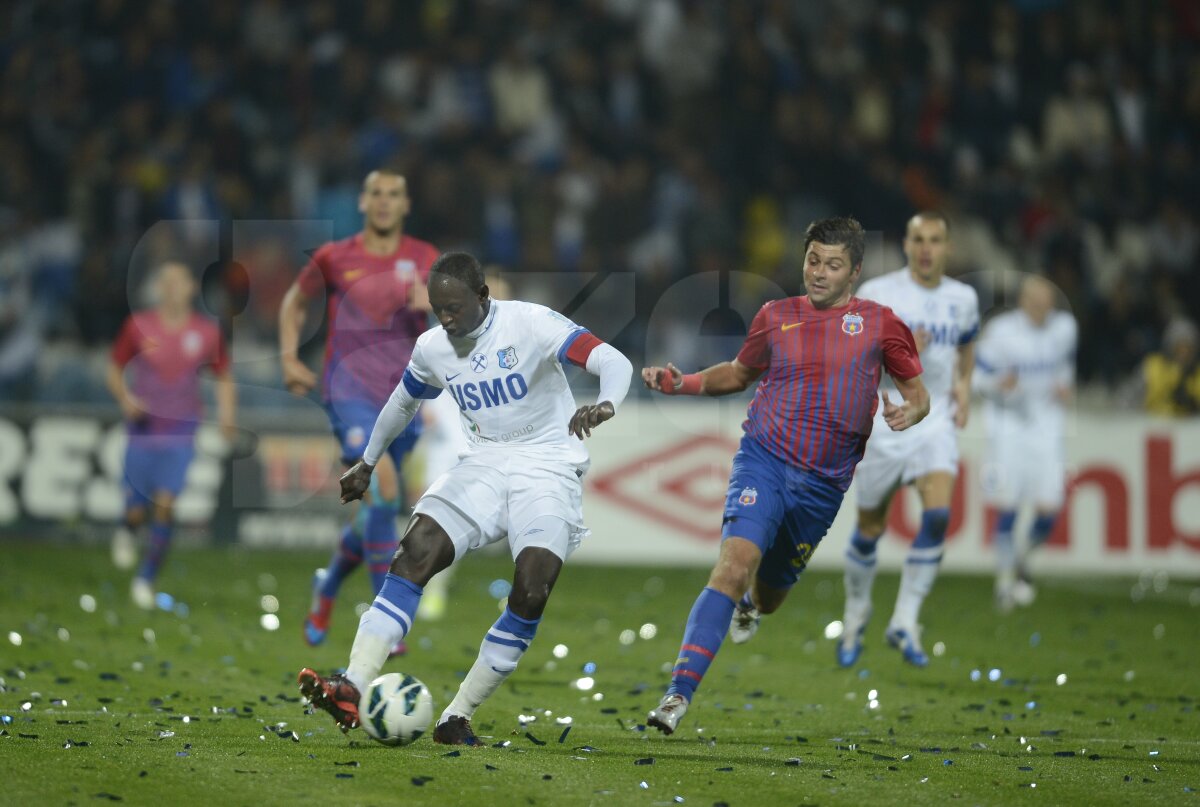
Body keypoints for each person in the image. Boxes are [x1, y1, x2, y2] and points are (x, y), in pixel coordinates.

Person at [297, 251, 633, 745]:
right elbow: (402, 402)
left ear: (483, 296)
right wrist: (367, 462)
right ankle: (352, 685)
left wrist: (606, 402)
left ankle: (456, 716)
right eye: (437, 308)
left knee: (532, 588)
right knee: (414, 552)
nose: (446, 317)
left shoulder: (531, 322)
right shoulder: (432, 347)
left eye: (455, 307)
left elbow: (611, 358)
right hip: (483, 464)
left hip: (547, 467)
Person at [641, 217, 929, 735]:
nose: (819, 273)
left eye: (833, 264)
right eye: (813, 260)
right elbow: (738, 373)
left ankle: (752, 605)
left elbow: (918, 392)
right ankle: (677, 693)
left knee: (769, 595)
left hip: (822, 488)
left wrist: (912, 411)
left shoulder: (881, 324)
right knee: (732, 566)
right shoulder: (776, 315)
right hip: (764, 460)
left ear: (855, 271)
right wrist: (681, 382)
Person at [279, 169, 439, 651]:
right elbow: (295, 301)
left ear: (405, 204)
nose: (385, 202)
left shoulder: (424, 258)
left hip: (406, 396)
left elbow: (457, 318)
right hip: (348, 391)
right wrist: (288, 356)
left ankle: (326, 586)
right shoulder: (335, 256)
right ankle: (383, 621)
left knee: (374, 510)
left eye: (394, 194)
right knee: (384, 489)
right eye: (377, 194)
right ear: (363, 202)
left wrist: (433, 302)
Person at [834, 212, 979, 668]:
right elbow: (852, 355)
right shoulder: (880, 294)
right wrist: (899, 350)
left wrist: (964, 385)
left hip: (933, 420)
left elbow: (968, 345)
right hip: (886, 421)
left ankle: (905, 620)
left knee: (937, 515)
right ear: (906, 244)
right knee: (870, 530)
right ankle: (857, 610)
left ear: (947, 247)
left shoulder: (964, 298)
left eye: (935, 239)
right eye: (919, 239)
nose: (927, 248)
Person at [107, 262, 236, 608]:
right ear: (159, 287)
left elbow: (224, 376)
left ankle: (145, 579)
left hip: (181, 430)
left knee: (165, 504)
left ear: (192, 288)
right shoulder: (138, 326)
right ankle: (127, 526)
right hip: (143, 430)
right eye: (166, 281)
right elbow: (115, 367)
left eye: (179, 280)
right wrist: (125, 398)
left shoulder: (207, 332)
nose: (173, 287)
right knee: (137, 510)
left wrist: (226, 415)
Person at [413, 272, 512, 623]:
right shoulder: (445, 335)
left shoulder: (514, 343)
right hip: (446, 445)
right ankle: (432, 590)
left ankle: (523, 597)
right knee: (434, 522)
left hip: (491, 450)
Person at [974, 275, 1077, 610]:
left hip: (1046, 427)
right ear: (1023, 301)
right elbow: (976, 377)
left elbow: (1064, 367)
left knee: (1050, 511)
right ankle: (1004, 581)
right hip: (1009, 428)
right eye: (1035, 300)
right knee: (1009, 505)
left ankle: (1021, 559)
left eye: (1046, 300)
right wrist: (997, 384)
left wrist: (1064, 384)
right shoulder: (1002, 332)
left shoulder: (1064, 328)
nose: (1041, 306)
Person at [1142, 317, 1200, 416]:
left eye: (1188, 348)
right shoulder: (1153, 367)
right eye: (1179, 347)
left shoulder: (1197, 372)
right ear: (1170, 347)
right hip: (1154, 424)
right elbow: (1128, 399)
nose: (1184, 353)